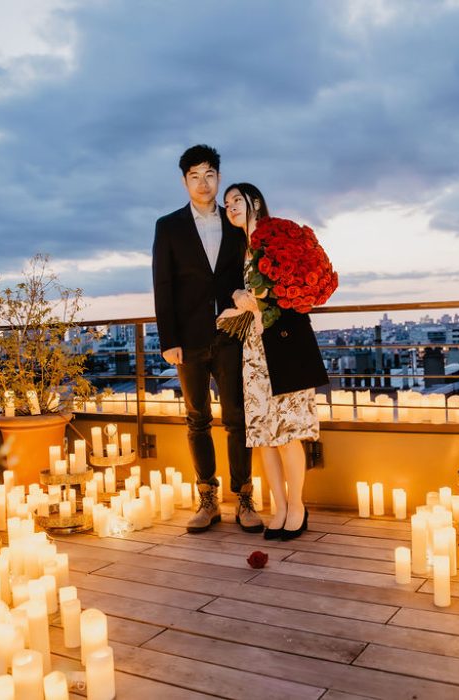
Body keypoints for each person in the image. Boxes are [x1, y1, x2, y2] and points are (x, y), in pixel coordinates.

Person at [152, 145, 263, 534]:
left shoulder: (234, 222)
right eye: (195, 176)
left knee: (238, 419)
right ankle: (208, 499)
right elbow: (163, 285)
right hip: (188, 339)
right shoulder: (168, 226)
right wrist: (168, 340)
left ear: (218, 177)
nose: (204, 183)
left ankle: (244, 498)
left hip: (232, 334)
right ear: (184, 181)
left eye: (210, 174)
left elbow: (244, 275)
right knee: (197, 419)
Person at [223, 183, 329, 540]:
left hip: (284, 346)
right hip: (254, 350)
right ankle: (279, 507)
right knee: (263, 436)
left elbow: (284, 289)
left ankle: (297, 506)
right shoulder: (244, 248)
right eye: (226, 204)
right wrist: (243, 298)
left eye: (236, 200)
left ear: (254, 202)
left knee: (288, 434)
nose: (231, 207)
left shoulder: (273, 238)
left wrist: (254, 295)